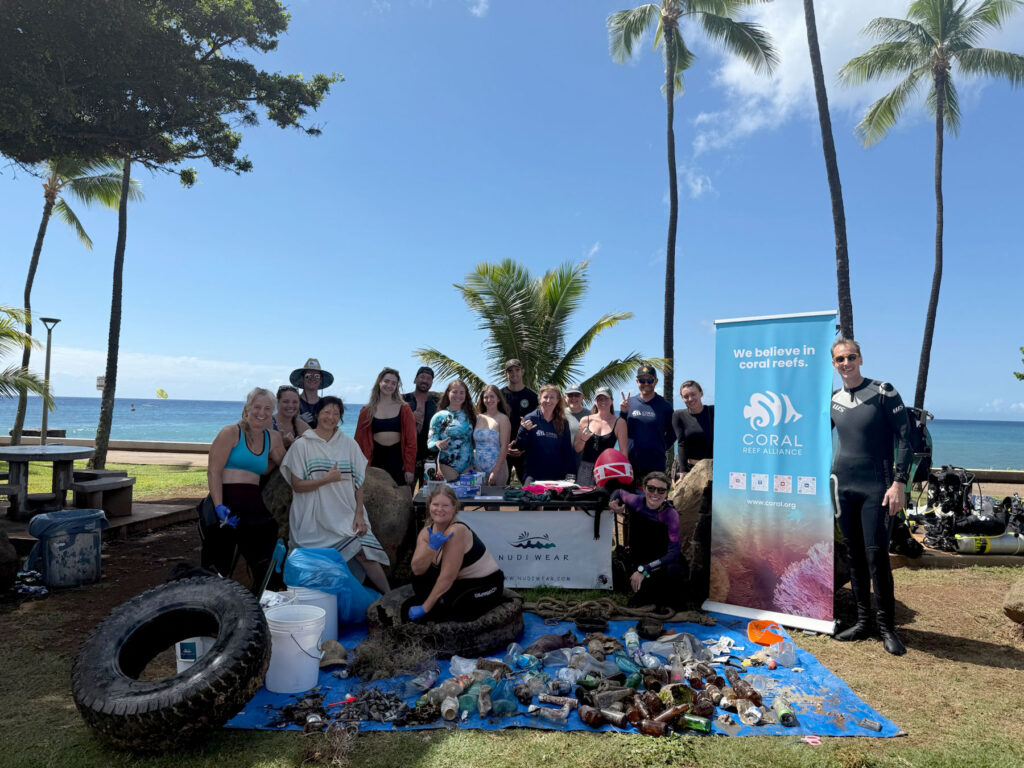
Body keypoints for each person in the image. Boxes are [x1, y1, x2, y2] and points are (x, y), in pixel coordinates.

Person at [830, 339, 913, 656]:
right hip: (841, 485)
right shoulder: (833, 400)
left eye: (851, 357)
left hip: (877, 487)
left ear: (860, 358)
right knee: (853, 556)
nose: (846, 362)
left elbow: (906, 438)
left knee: (877, 557)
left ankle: (887, 627)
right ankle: (864, 624)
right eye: (840, 359)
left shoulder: (883, 391)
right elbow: (814, 440)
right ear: (834, 364)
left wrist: (899, 483)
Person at [280, 395, 390, 594]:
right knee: (319, 566)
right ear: (317, 414)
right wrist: (326, 479)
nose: (330, 417)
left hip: (345, 512)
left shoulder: (348, 444)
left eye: (335, 413)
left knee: (365, 552)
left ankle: (389, 597)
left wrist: (359, 514)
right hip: (313, 518)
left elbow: (359, 483)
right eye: (326, 412)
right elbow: (297, 486)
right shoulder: (302, 445)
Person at [203, 387, 286, 592]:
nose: (262, 412)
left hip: (253, 503)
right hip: (225, 499)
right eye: (257, 407)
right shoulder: (230, 433)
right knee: (219, 562)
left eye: (268, 408)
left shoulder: (273, 437)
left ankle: (264, 599)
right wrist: (219, 506)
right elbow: (214, 471)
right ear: (247, 408)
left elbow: (286, 464)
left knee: (266, 556)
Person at [407, 484, 504, 622]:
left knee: (454, 609)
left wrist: (425, 608)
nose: (439, 509)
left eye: (445, 506)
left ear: (454, 508)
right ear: (429, 506)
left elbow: (447, 577)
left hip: (485, 584)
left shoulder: (456, 531)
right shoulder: (426, 532)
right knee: (419, 581)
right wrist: (431, 548)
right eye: (435, 504)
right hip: (460, 582)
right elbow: (417, 569)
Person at [608, 471, 685, 608]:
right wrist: (613, 502)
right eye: (651, 488)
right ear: (644, 488)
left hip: (659, 563)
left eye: (661, 491)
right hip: (638, 560)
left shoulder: (670, 514)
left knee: (672, 577)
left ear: (667, 493)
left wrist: (645, 569)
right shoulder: (636, 501)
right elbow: (619, 492)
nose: (655, 494)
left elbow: (674, 553)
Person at [354, 367, 417, 492]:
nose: (389, 385)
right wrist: (360, 468)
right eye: (386, 381)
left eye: (393, 383)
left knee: (402, 497)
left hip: (398, 458)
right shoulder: (367, 410)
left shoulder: (404, 408)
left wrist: (409, 468)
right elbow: (359, 441)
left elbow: (411, 441)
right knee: (376, 497)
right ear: (379, 382)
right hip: (376, 457)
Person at [619, 364, 675, 480]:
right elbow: (621, 430)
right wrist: (623, 413)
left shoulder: (665, 406)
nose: (646, 384)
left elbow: (673, 433)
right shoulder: (630, 403)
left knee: (655, 497)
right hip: (631, 463)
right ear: (637, 381)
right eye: (642, 380)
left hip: (656, 464)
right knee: (630, 498)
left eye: (650, 380)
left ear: (656, 381)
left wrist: (660, 446)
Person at [513, 383, 576, 482]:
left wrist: (571, 474)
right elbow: (520, 447)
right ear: (539, 399)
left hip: (557, 478)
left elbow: (567, 451)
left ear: (557, 400)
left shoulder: (563, 423)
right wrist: (523, 430)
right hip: (533, 476)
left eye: (552, 397)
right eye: (545, 397)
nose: (548, 400)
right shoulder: (530, 418)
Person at [575, 386, 628, 487]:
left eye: (606, 398)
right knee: (583, 500)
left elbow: (623, 452)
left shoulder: (620, 423)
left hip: (607, 469)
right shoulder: (585, 420)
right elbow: (577, 448)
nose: (602, 401)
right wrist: (583, 439)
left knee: (604, 501)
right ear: (595, 401)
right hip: (585, 469)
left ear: (612, 400)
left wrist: (623, 475)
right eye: (599, 399)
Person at [427, 380, 477, 481]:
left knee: (467, 496)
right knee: (452, 495)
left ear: (466, 395)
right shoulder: (439, 416)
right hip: (447, 465)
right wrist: (437, 443)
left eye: (462, 392)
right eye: (454, 392)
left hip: (469, 465)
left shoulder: (471, 416)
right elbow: (430, 441)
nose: (458, 395)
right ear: (448, 393)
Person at [501, 358, 538, 483]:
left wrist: (523, 448)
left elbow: (536, 425)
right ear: (505, 373)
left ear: (522, 371)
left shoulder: (533, 397)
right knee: (497, 492)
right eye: (510, 371)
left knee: (531, 492)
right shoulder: (499, 395)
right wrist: (504, 447)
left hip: (525, 452)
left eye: (517, 370)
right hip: (503, 450)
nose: (514, 373)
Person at [403, 366, 440, 487]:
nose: (425, 381)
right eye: (422, 377)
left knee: (427, 498)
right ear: (415, 379)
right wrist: (409, 417)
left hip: (430, 458)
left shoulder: (437, 402)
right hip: (407, 458)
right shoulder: (403, 400)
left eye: (429, 379)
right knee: (406, 496)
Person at [672, 380, 715, 479]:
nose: (690, 399)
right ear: (682, 398)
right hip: (690, 469)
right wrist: (683, 470)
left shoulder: (713, 411)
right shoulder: (678, 415)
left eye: (693, 394)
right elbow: (681, 444)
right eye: (686, 396)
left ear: (701, 393)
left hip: (712, 469)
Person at [474, 384, 511, 487]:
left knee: (493, 502)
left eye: (492, 396)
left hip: (497, 470)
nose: (488, 400)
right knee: (477, 500)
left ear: (498, 399)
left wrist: (495, 471)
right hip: (478, 470)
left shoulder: (503, 418)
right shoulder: (478, 418)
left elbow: (504, 446)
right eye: (485, 397)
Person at [289, 357, 333, 428]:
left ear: (321, 380)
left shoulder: (325, 404)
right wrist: (296, 420)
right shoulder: (293, 403)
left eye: (317, 376)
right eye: (308, 375)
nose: (312, 378)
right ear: (302, 379)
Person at [273, 385, 310, 450]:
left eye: (295, 402)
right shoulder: (268, 424)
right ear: (277, 402)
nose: (290, 405)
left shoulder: (300, 425)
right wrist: (282, 444)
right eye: (286, 401)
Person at [564, 384, 586, 470]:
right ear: (565, 397)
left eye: (577, 395)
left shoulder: (590, 415)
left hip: (583, 465)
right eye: (570, 395)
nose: (573, 398)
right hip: (562, 463)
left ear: (582, 397)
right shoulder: (558, 414)